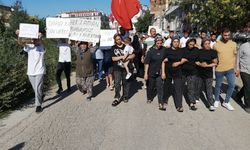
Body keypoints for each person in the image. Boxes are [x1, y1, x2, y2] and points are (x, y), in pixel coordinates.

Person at [17, 31, 45, 113]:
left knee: (37, 88)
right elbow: (21, 43)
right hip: (30, 71)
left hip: (40, 70)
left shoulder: (42, 46)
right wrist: (19, 35)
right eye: (34, 39)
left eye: (36, 39)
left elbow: (42, 42)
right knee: (35, 89)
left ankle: (38, 105)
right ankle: (41, 95)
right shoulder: (29, 47)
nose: (35, 40)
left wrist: (41, 37)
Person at [213, 27, 239, 111]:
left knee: (231, 85)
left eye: (228, 35)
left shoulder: (233, 44)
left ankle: (226, 102)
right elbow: (213, 56)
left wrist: (236, 68)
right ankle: (216, 100)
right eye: (225, 35)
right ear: (221, 35)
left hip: (230, 69)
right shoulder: (216, 45)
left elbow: (235, 56)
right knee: (218, 85)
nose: (227, 37)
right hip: (219, 69)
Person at [162, 37, 186, 112]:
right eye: (174, 41)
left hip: (178, 71)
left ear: (179, 43)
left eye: (177, 42)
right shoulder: (167, 50)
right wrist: (163, 72)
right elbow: (163, 61)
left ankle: (179, 105)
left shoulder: (181, 50)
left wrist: (178, 63)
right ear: (172, 42)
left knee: (178, 88)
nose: (176, 43)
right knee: (166, 87)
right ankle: (164, 102)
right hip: (168, 71)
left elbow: (184, 59)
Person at [111, 34, 135, 106]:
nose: (118, 40)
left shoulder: (126, 46)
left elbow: (133, 55)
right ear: (115, 40)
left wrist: (127, 58)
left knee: (126, 83)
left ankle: (125, 96)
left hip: (126, 68)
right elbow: (113, 58)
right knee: (117, 83)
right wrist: (122, 56)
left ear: (121, 39)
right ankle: (117, 97)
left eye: (119, 39)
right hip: (117, 68)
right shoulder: (113, 47)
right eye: (117, 39)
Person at [144, 36, 166, 111]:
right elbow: (146, 63)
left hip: (159, 72)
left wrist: (163, 72)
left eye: (160, 43)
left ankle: (161, 103)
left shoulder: (164, 49)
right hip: (151, 71)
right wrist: (146, 73)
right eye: (158, 43)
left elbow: (164, 60)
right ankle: (149, 97)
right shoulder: (150, 51)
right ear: (155, 43)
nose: (159, 44)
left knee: (160, 87)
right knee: (150, 86)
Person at [196, 39, 218, 111]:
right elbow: (196, 61)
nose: (207, 45)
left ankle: (211, 104)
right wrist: (200, 64)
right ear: (203, 44)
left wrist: (207, 65)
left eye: (208, 43)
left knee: (209, 89)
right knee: (198, 86)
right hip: (199, 73)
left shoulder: (213, 52)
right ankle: (196, 97)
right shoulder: (199, 51)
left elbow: (215, 63)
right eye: (206, 44)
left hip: (208, 74)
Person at [182, 38, 200, 111]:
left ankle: (191, 103)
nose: (191, 46)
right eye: (190, 44)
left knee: (191, 87)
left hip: (192, 71)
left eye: (193, 44)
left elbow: (199, 59)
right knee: (181, 86)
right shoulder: (183, 50)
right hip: (183, 71)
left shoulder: (196, 50)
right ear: (187, 43)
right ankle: (179, 100)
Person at [236, 23, 250, 113]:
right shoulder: (244, 46)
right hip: (244, 70)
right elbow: (237, 58)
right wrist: (237, 69)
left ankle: (238, 96)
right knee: (248, 87)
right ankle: (248, 105)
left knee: (247, 86)